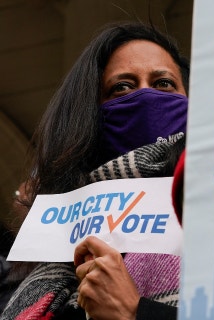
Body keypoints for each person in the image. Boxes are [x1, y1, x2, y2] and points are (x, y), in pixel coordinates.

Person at [0, 21, 189, 320]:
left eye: (164, 83)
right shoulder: (43, 259)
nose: (146, 97)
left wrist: (135, 312)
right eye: (122, 87)